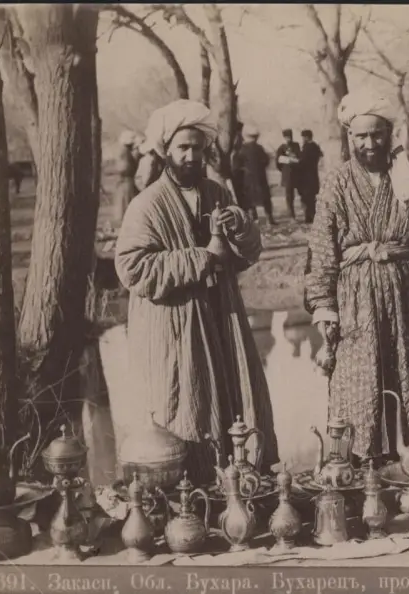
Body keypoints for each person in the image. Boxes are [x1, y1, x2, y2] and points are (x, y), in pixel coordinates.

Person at [114, 99, 279, 484]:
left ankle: (237, 486)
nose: (191, 155)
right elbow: (133, 269)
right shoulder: (147, 205)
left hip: (222, 317)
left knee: (233, 398)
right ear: (165, 150)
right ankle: (187, 493)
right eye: (182, 147)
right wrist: (200, 258)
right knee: (184, 402)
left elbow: (245, 255)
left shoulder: (217, 194)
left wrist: (240, 228)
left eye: (197, 147)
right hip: (173, 324)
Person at [304, 90, 409, 466]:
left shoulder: (408, 180)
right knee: (359, 382)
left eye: (376, 134)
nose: (369, 144)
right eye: (360, 136)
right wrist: (324, 306)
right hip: (356, 303)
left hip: (407, 300)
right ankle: (360, 466)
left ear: (390, 134)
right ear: (349, 138)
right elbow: (322, 248)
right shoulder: (337, 183)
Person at [235, 125, 276, 225]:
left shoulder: (242, 149)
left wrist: (244, 170)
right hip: (261, 178)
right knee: (264, 200)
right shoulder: (259, 148)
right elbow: (266, 160)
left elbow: (237, 165)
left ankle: (255, 220)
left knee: (251, 201)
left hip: (248, 179)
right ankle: (268, 220)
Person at [297, 129, 323, 224]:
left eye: (303, 137)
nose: (302, 139)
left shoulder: (307, 147)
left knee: (307, 198)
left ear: (307, 137)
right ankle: (313, 216)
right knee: (312, 197)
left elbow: (303, 162)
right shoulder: (315, 146)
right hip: (313, 176)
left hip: (306, 177)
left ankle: (309, 218)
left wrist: (296, 161)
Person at [114, 130, 140, 223]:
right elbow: (124, 168)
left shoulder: (126, 152)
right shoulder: (124, 152)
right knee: (126, 206)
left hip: (126, 182)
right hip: (126, 182)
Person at [275, 129, 301, 220]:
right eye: (286, 137)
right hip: (287, 174)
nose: (288, 139)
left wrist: (294, 159)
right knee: (289, 195)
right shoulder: (281, 148)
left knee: (300, 193)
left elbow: (299, 157)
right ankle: (291, 214)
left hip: (296, 173)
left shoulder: (296, 145)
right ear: (284, 137)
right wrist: (283, 170)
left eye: (290, 137)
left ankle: (307, 213)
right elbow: (278, 162)